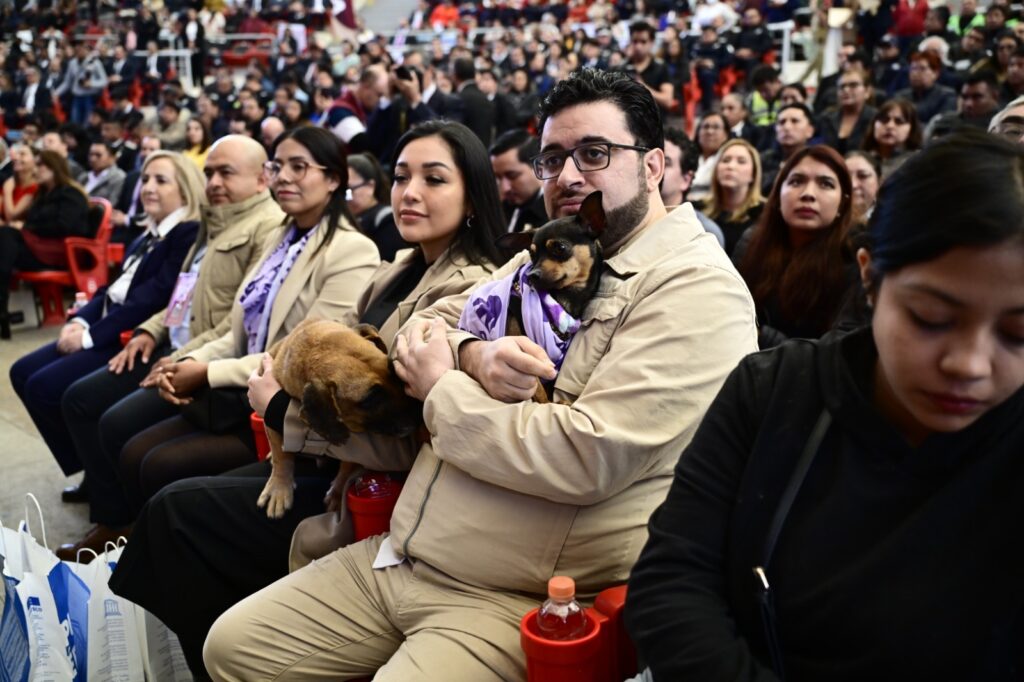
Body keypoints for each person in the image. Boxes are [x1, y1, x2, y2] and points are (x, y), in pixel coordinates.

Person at [201, 66, 757, 682]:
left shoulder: (695, 288)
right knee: (230, 648)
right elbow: (422, 327)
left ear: (654, 166)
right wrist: (472, 354)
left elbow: (585, 455)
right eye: (552, 159)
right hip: (406, 553)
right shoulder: (542, 252)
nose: (569, 177)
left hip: (516, 594)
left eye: (594, 154)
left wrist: (442, 387)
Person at [108, 120, 510, 675]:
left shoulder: (471, 291)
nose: (409, 192)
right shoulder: (396, 268)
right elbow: (295, 345)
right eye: (400, 177)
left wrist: (277, 407)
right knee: (163, 497)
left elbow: (412, 430)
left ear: (473, 198)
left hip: (378, 489)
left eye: (434, 179)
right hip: (321, 451)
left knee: (176, 514)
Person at [626, 129, 1024, 680]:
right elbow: (672, 580)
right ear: (868, 275)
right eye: (932, 318)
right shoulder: (773, 391)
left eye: (1018, 334)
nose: (970, 364)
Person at [108, 126, 379, 528]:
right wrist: (189, 358)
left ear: (334, 179)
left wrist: (206, 371)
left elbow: (302, 358)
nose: (283, 176)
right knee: (133, 447)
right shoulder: (279, 239)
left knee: (156, 464)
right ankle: (130, 540)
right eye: (278, 166)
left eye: (299, 167)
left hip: (281, 409)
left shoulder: (351, 250)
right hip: (241, 387)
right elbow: (236, 331)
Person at [55, 136, 285, 554]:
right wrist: (149, 330)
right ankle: (119, 519)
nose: (213, 181)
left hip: (215, 362)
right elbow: (181, 296)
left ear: (261, 179)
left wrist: (179, 359)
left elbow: (234, 324)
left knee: (110, 419)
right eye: (209, 172)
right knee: (83, 401)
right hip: (180, 347)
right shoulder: (213, 223)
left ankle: (128, 527)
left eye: (226, 172)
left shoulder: (266, 227)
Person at [10, 151, 204, 478]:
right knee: (22, 371)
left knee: (46, 387)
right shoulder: (147, 234)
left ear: (185, 189)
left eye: (161, 180)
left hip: (132, 334)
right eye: (144, 179)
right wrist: (80, 320)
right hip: (107, 322)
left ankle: (96, 475)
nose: (148, 187)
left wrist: (88, 337)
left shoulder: (186, 232)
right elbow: (112, 288)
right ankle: (90, 464)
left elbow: (152, 298)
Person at [736, 145, 858, 348]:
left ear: (843, 204)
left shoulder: (853, 259)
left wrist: (759, 333)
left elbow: (838, 354)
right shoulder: (751, 243)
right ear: (776, 197)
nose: (808, 194)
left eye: (825, 184)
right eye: (796, 181)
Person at [0, 151, 90, 339]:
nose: (36, 169)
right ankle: (2, 307)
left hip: (60, 252)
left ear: (54, 168)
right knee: (5, 237)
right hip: (39, 248)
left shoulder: (70, 193)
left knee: (6, 236)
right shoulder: (42, 194)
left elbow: (65, 226)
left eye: (41, 165)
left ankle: (2, 305)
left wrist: (27, 227)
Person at [699, 138, 765, 255]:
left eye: (741, 161)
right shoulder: (698, 210)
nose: (731, 166)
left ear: (753, 174)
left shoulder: (765, 214)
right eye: (725, 160)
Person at [346, 152, 408, 261]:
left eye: (349, 191)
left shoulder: (387, 219)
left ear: (370, 186)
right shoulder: (342, 218)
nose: (346, 198)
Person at [488, 129, 548, 234]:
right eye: (498, 178)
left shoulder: (554, 213)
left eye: (512, 176)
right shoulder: (501, 209)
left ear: (539, 168)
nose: (504, 188)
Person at [760, 103, 817, 193]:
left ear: (810, 130)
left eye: (795, 121)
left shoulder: (819, 161)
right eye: (782, 122)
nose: (787, 127)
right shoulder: (763, 160)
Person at [819, 68, 878, 154]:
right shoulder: (826, 117)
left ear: (867, 91)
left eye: (853, 85)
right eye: (842, 87)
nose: (846, 90)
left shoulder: (876, 118)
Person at [862, 99, 924, 178]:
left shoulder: (917, 163)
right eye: (884, 120)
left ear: (911, 129)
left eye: (899, 121)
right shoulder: (860, 160)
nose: (890, 126)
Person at [895, 51, 958, 124]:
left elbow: (942, 124)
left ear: (935, 73)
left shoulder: (946, 96)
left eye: (922, 69)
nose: (915, 73)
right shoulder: (900, 96)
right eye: (913, 68)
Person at [690, 112, 730, 201]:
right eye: (705, 127)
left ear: (726, 134)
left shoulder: (728, 159)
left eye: (716, 127)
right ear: (698, 132)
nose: (709, 131)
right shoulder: (687, 158)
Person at [1, 144, 38, 226]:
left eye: (22, 154)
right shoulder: (9, 182)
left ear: (36, 160)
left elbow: (11, 217)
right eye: (16, 154)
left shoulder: (36, 187)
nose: (16, 158)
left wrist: (7, 192)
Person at [845, 150, 882, 221]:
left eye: (863, 176)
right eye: (846, 177)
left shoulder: (889, 221)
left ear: (879, 182)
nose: (853, 185)